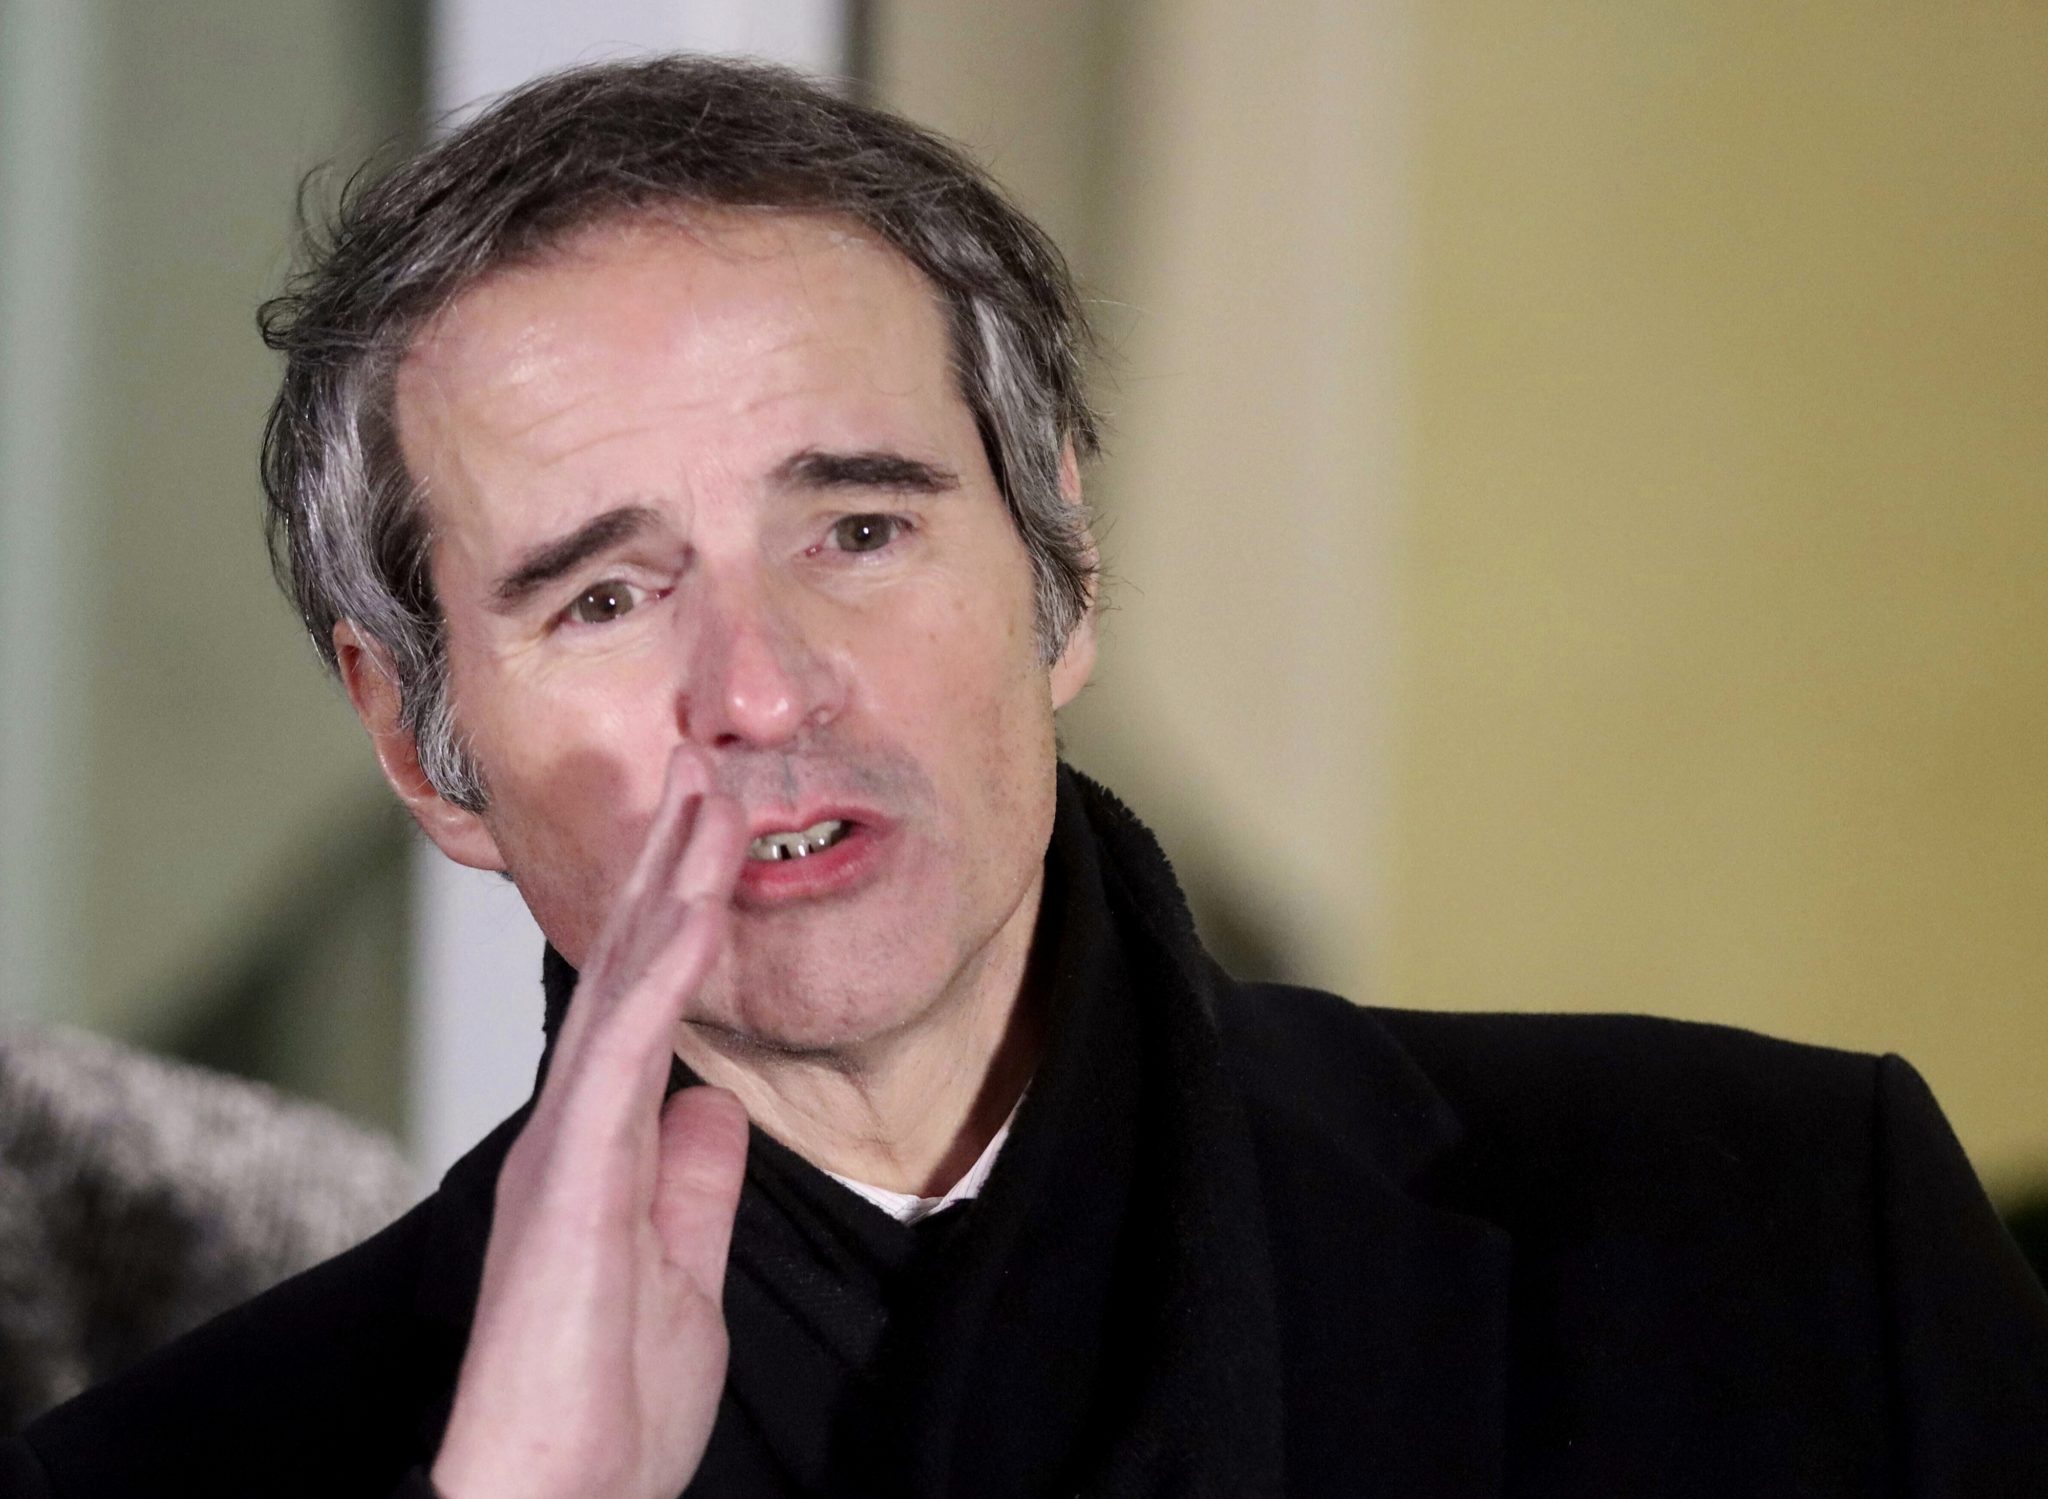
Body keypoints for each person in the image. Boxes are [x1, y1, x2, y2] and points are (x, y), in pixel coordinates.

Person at [4, 54, 2045, 1499]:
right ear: (417, 742)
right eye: (607, 597)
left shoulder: (1783, 1234)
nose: (762, 688)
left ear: (1056, 566)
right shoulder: (183, 1469)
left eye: (859, 529)